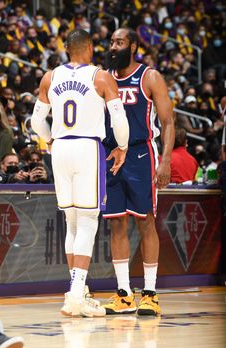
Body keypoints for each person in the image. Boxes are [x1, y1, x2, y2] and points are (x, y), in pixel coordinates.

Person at [31, 29, 129, 317]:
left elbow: (36, 121)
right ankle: (76, 295)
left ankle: (75, 293)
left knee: (72, 221)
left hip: (60, 147)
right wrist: (121, 146)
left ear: (66, 49)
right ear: (89, 47)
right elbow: (119, 119)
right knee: (87, 222)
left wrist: (49, 139)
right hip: (88, 148)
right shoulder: (100, 76)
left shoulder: (50, 77)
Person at [103, 28, 175, 316]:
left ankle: (150, 293)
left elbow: (168, 122)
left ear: (132, 46)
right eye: (111, 42)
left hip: (141, 153)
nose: (113, 46)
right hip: (111, 154)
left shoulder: (150, 77)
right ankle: (123, 294)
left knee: (145, 221)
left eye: (119, 42)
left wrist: (166, 160)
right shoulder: (104, 77)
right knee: (116, 224)